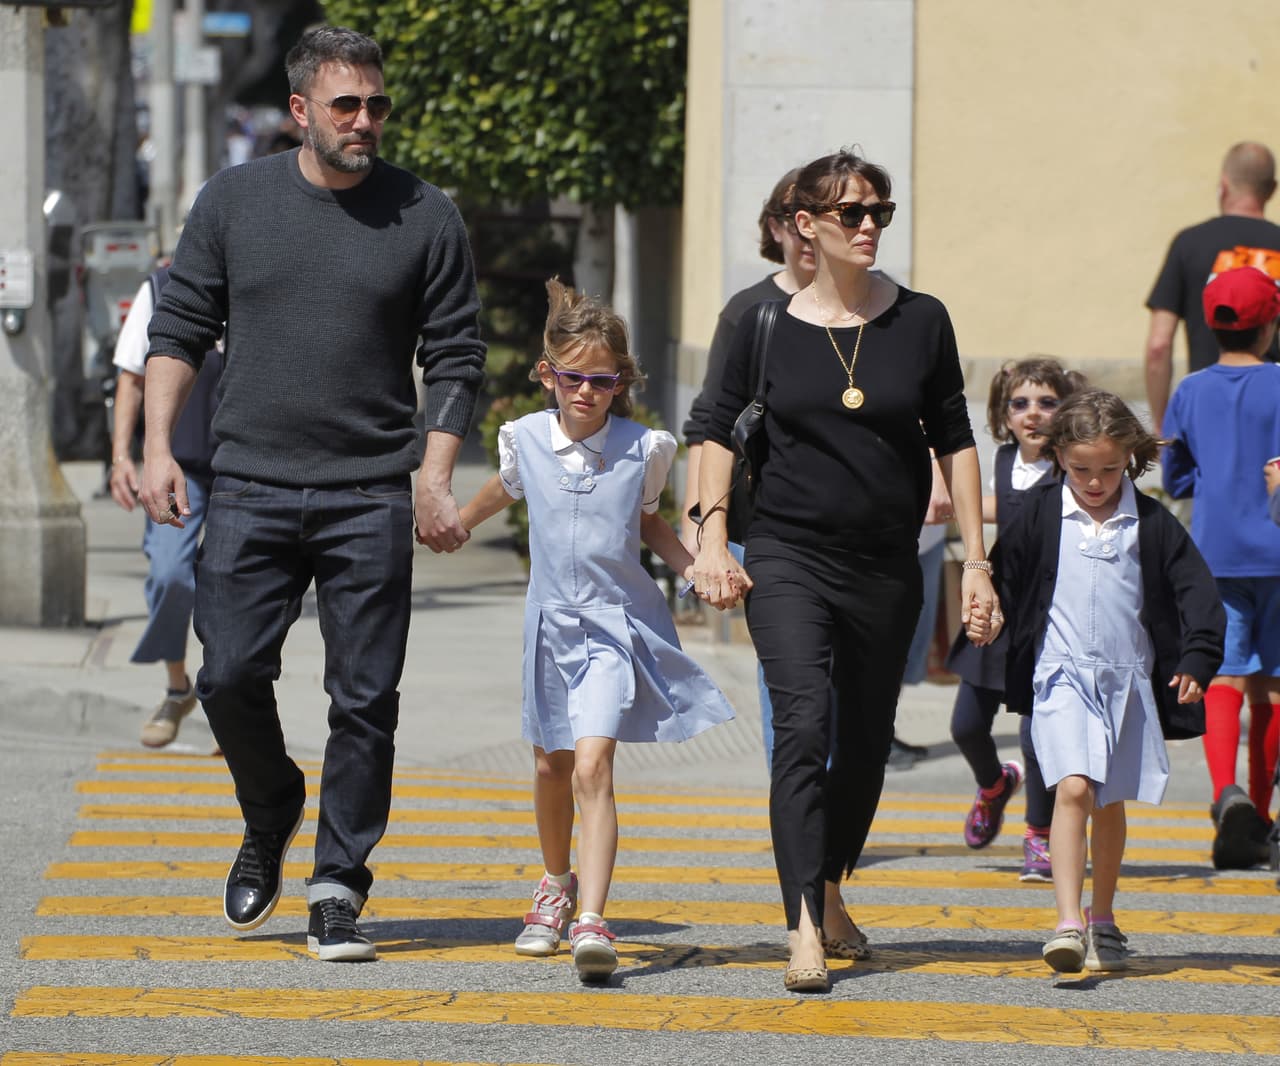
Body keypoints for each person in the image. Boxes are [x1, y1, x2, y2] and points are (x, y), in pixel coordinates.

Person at [138, 26, 486, 963]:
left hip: (369, 493)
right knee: (226, 674)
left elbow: (456, 356)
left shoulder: (426, 215)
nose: (366, 120)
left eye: (377, 104)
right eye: (347, 104)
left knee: (365, 700)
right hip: (248, 483)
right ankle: (271, 807)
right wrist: (159, 448)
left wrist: (435, 476)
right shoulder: (233, 201)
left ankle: (338, 886)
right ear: (300, 110)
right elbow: (178, 328)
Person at [692, 149, 999, 993]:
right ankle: (802, 925)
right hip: (786, 554)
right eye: (852, 213)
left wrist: (977, 562)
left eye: (879, 213)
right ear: (806, 225)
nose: (869, 226)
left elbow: (956, 438)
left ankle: (829, 886)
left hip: (885, 564)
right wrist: (712, 539)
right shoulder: (761, 323)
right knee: (802, 728)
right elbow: (714, 429)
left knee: (863, 746)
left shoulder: (922, 321)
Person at [458, 279, 736, 983]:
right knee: (551, 767)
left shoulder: (644, 449)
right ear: (548, 375)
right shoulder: (524, 439)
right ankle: (556, 884)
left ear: (621, 382)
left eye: (603, 381)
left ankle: (591, 918)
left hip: (615, 627)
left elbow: (649, 524)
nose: (587, 392)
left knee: (592, 765)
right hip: (549, 627)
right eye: (573, 378)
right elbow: (503, 489)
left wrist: (699, 569)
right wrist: (453, 522)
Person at [998, 390, 1224, 972]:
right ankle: (1067, 922)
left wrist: (1198, 657)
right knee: (1073, 787)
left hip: (1127, 682)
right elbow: (1003, 578)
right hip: (1060, 674)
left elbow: (1197, 592)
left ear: (1130, 459)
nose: (1094, 482)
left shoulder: (1151, 522)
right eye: (1081, 470)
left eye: (1109, 469)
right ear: (1059, 457)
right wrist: (987, 613)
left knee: (1108, 798)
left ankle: (1102, 916)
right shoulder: (1040, 514)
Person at [680, 167, 811, 766]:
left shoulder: (879, 304)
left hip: (854, 528)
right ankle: (798, 802)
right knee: (786, 673)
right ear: (775, 228)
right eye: (793, 219)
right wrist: (701, 529)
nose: (806, 234)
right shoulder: (749, 311)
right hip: (766, 526)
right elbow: (710, 422)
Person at [946, 359, 1084, 879]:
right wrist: (942, 504)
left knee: (1035, 736)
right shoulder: (1003, 459)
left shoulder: (1073, 465)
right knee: (965, 725)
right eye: (1020, 403)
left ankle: (1040, 835)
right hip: (999, 606)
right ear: (1004, 415)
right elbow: (1002, 507)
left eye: (1047, 402)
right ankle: (994, 785)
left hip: (1051, 611)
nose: (1033, 413)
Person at [1163, 266, 1280, 867]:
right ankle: (1259, 814)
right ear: (1270, 325)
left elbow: (1175, 475)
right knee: (1272, 685)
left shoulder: (1190, 390)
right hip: (1278, 552)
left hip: (1216, 551)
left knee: (1225, 676)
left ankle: (1224, 795)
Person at [109, 266, 223, 748]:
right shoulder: (159, 288)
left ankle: (231, 702)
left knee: (238, 590)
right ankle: (179, 688)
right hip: (178, 467)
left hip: (247, 468)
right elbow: (131, 376)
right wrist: (122, 458)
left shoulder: (263, 267)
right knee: (170, 573)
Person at [1144, 142, 1280, 433]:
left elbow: (1158, 345)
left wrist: (1162, 425)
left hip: (1205, 408)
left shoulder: (1189, 243)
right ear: (1272, 189)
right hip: (1273, 409)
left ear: (1223, 185)